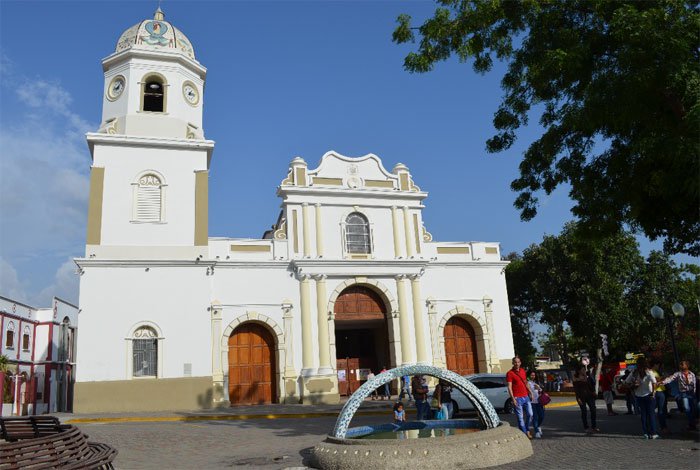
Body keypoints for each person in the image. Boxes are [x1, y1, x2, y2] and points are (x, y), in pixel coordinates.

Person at [625, 357, 659, 439]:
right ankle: (653, 433)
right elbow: (654, 383)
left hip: (638, 396)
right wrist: (653, 393)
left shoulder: (634, 372)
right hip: (649, 395)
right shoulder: (649, 372)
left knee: (643, 415)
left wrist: (633, 385)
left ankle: (645, 433)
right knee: (651, 414)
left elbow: (626, 382)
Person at [660, 360, 697, 431]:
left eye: (682, 364)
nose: (681, 366)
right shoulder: (678, 374)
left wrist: (694, 393)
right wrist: (662, 382)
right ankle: (691, 423)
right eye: (680, 364)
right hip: (684, 393)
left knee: (693, 408)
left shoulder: (692, 374)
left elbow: (694, 384)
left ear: (687, 365)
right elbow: (670, 379)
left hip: (691, 393)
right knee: (686, 408)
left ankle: (692, 424)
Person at [506, 356, 533, 437]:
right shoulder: (510, 373)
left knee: (530, 414)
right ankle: (525, 433)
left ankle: (526, 428)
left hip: (525, 396)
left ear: (520, 363)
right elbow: (509, 387)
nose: (517, 364)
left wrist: (530, 392)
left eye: (518, 362)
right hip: (517, 398)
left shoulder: (522, 371)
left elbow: (525, 382)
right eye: (515, 362)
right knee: (520, 418)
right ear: (512, 363)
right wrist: (513, 398)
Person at [573, 364, 599, 433]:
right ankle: (586, 427)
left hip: (589, 396)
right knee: (584, 412)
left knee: (593, 410)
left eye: (584, 369)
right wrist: (578, 398)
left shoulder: (588, 376)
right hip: (581, 397)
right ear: (579, 371)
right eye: (583, 369)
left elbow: (592, 384)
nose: (584, 370)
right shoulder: (576, 378)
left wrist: (589, 376)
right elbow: (576, 389)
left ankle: (594, 427)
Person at [649, 360, 669, 434]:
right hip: (658, 391)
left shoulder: (651, 372)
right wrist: (663, 378)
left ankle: (658, 427)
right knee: (661, 411)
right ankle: (663, 427)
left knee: (658, 410)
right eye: (658, 365)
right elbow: (656, 383)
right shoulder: (653, 372)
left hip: (658, 391)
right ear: (655, 364)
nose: (658, 367)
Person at [528, 370, 544, 438]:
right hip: (532, 402)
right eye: (531, 375)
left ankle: (538, 426)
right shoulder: (528, 383)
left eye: (534, 375)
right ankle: (537, 431)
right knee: (535, 417)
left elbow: (541, 391)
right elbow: (528, 391)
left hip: (539, 402)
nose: (533, 376)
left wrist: (539, 388)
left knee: (541, 416)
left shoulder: (537, 382)